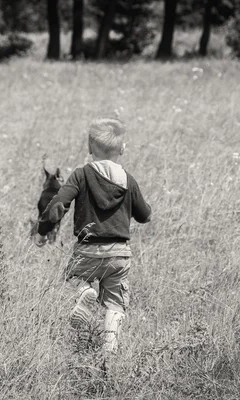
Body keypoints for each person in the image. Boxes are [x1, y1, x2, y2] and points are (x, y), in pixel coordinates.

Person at [34, 117, 151, 353]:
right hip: (119, 253)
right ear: (123, 149)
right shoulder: (128, 180)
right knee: (116, 303)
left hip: (87, 249)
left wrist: (43, 230)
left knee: (74, 277)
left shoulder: (81, 175)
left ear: (89, 148)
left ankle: (83, 290)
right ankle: (109, 350)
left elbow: (58, 205)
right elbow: (145, 215)